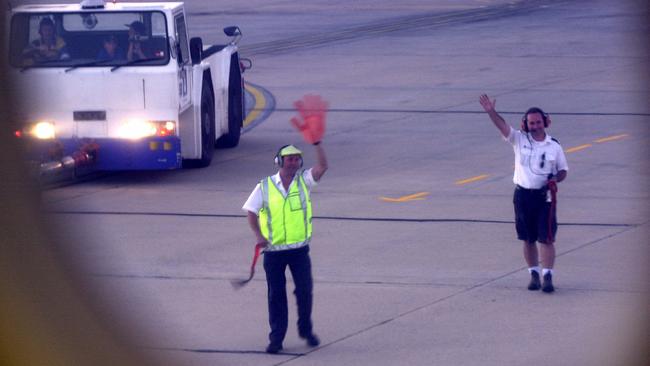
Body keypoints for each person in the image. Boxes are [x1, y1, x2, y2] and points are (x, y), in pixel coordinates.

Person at [242, 141, 328, 354]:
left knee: (305, 291)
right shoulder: (264, 186)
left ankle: (306, 330)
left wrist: (317, 145)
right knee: (276, 296)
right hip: (273, 252)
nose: (293, 162)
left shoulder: (304, 181)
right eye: (289, 158)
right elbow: (251, 212)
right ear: (279, 162)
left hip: (299, 250)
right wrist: (258, 235)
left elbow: (322, 167)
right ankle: (276, 338)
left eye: (297, 158)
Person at [479, 94, 568, 293]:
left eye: (538, 122)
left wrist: (556, 179)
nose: (535, 125)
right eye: (531, 123)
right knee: (528, 238)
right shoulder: (519, 139)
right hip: (523, 196)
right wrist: (491, 112)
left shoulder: (554, 145)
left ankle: (548, 276)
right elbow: (502, 127)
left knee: (546, 238)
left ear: (545, 122)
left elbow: (563, 170)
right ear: (525, 124)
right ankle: (534, 274)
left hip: (545, 197)